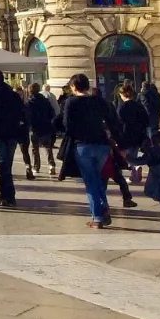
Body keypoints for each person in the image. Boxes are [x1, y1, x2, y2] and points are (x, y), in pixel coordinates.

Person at [63, 72, 117, 228]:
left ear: (73, 86)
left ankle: (97, 217)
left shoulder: (71, 102)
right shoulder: (98, 101)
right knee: (98, 179)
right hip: (101, 145)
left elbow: (67, 125)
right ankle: (103, 209)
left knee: (91, 181)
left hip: (83, 146)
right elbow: (111, 120)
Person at [0, 69, 24, 208]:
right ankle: (8, 196)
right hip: (12, 134)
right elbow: (22, 112)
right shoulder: (13, 95)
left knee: (3, 166)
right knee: (7, 165)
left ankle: (7, 196)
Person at [112, 83, 147, 207]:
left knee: (126, 155)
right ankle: (134, 170)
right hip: (138, 134)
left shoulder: (121, 107)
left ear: (122, 94)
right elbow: (145, 120)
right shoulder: (138, 105)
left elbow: (118, 123)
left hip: (126, 134)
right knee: (134, 152)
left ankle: (134, 168)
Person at [26, 83, 57, 176]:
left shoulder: (29, 102)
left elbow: (27, 116)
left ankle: (36, 167)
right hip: (45, 126)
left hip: (34, 128)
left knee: (35, 149)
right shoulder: (45, 100)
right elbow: (52, 113)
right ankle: (51, 165)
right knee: (47, 147)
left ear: (30, 91)